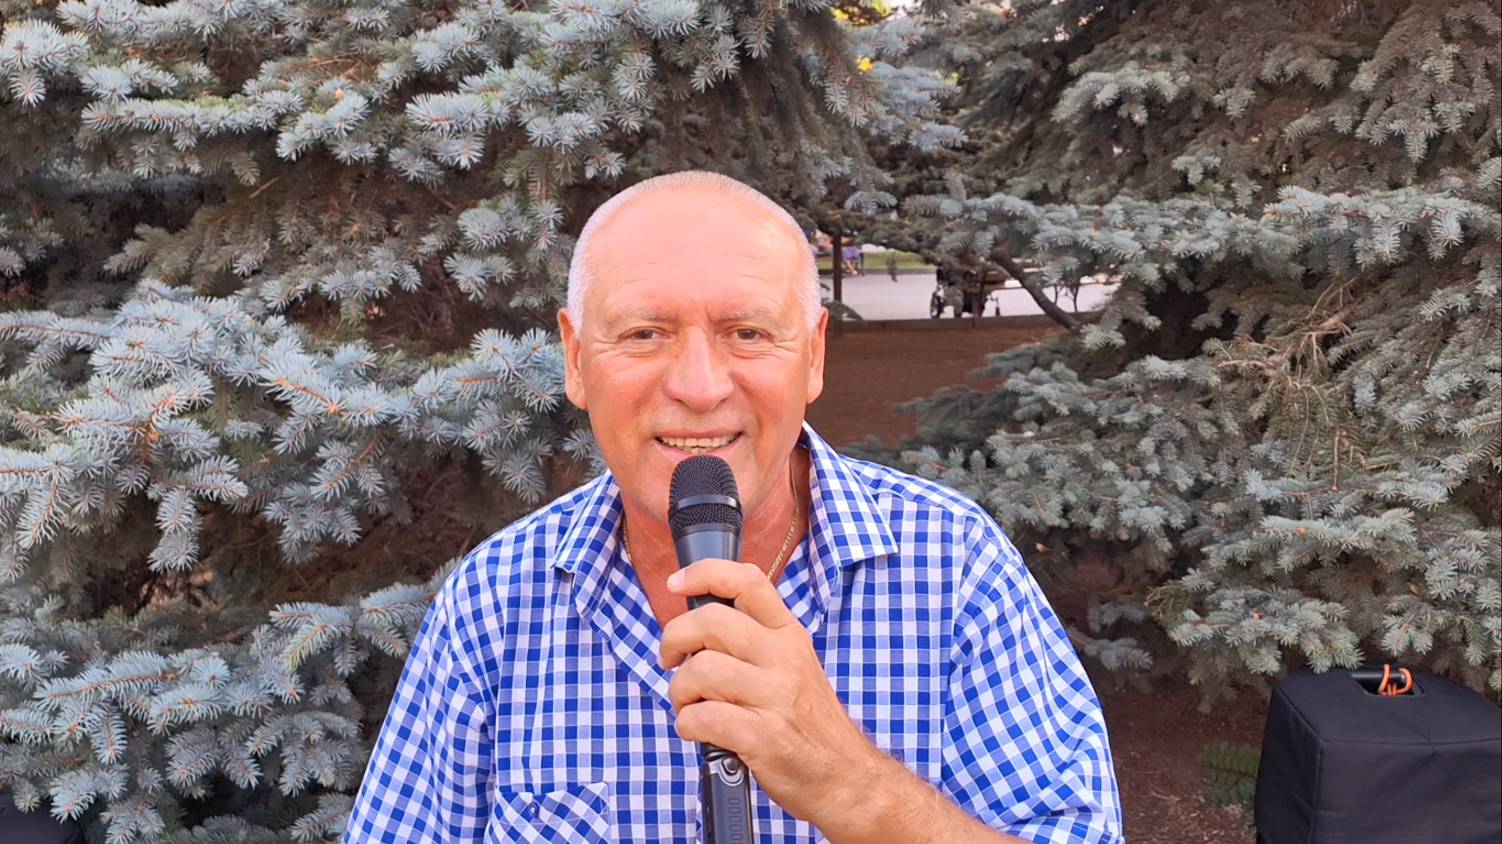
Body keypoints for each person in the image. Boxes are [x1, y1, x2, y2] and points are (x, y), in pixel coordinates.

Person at [343, 170, 1123, 843]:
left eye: (747, 332)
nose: (699, 386)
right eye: (644, 333)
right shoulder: (494, 604)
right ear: (576, 360)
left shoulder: (952, 569)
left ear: (812, 354)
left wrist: (853, 788)